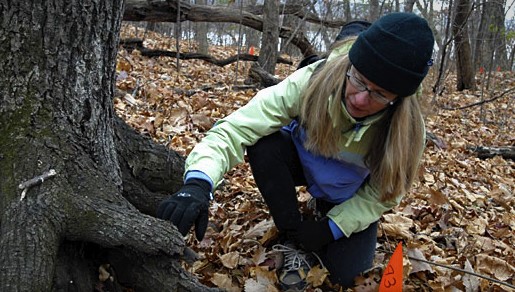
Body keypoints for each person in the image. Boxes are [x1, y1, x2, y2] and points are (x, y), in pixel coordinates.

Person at [157, 12, 435, 289]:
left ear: (397, 99)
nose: (361, 99)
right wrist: (198, 182)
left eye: (379, 94)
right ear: (351, 65)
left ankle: (324, 215)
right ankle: (291, 232)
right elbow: (237, 127)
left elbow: (385, 192)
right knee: (264, 142)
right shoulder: (314, 80)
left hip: (348, 193)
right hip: (303, 162)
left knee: (346, 277)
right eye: (359, 80)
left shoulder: (408, 130)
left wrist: (332, 228)